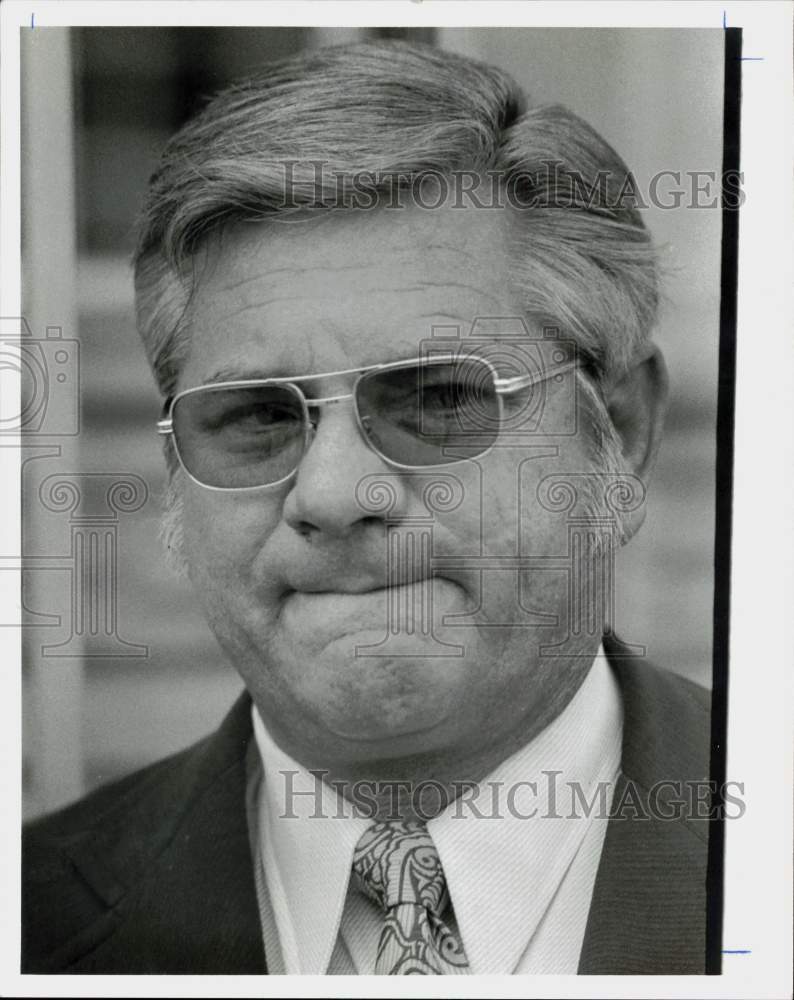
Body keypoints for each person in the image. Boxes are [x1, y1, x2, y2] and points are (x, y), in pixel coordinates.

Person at [22, 40, 710, 975]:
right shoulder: (35, 920)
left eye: (434, 401)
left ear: (620, 433)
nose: (336, 496)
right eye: (259, 416)